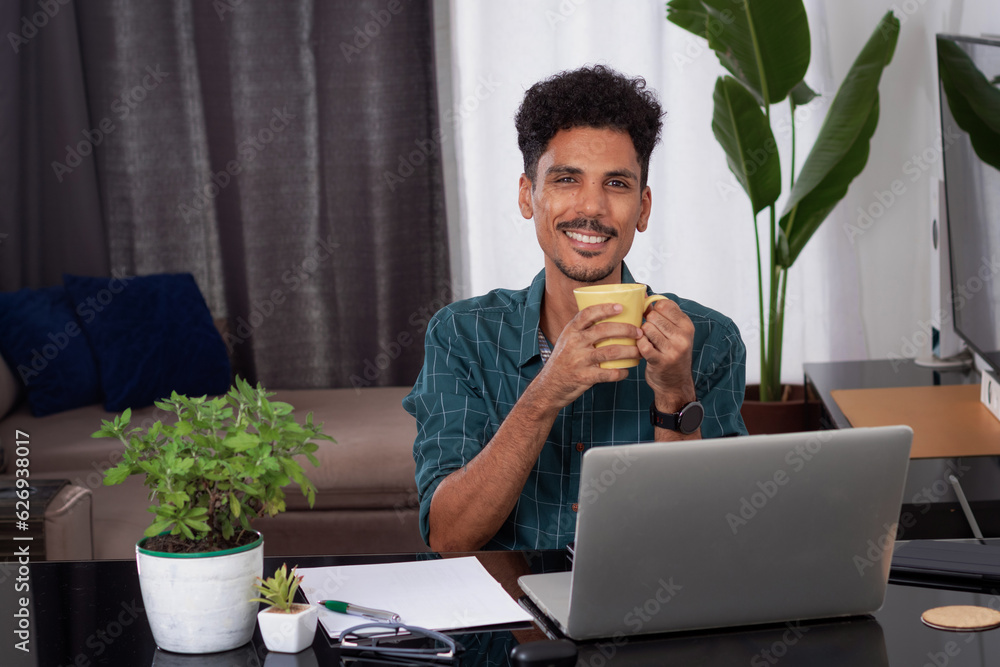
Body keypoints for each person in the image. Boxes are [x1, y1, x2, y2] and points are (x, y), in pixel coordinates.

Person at [403, 65, 747, 552]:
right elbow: (448, 537)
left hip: (651, 614)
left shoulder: (709, 339)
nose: (592, 207)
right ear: (529, 196)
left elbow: (714, 542)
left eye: (617, 184)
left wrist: (675, 396)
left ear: (643, 209)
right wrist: (545, 393)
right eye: (566, 179)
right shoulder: (461, 335)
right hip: (511, 622)